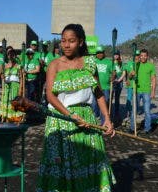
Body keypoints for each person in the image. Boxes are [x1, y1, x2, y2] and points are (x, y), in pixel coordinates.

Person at [36, 24, 115, 192]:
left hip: (87, 118)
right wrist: (70, 115)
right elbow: (50, 95)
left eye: (71, 41)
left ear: (80, 42)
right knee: (61, 165)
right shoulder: (54, 65)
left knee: (90, 160)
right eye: (63, 41)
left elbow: (99, 93)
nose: (66, 45)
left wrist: (107, 119)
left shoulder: (90, 63)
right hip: (60, 119)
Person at [0, 47, 24, 122]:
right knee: (7, 102)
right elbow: (0, 76)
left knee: (14, 102)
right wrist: (2, 76)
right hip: (7, 87)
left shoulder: (18, 66)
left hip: (15, 86)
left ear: (14, 55)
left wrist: (20, 89)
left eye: (12, 54)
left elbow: (21, 79)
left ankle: (15, 118)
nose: (11, 56)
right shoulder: (4, 66)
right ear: (7, 56)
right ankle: (7, 117)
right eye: (9, 54)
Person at [136, 49, 156, 134]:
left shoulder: (151, 66)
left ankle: (147, 128)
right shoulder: (136, 65)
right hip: (136, 91)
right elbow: (130, 76)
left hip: (146, 91)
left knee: (147, 111)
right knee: (134, 110)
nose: (143, 57)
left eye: (145, 55)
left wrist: (153, 91)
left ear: (147, 56)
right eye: (141, 55)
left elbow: (154, 79)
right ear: (139, 56)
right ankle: (133, 128)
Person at [93, 46, 115, 123]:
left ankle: (104, 123)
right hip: (95, 88)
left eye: (101, 53)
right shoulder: (93, 61)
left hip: (106, 88)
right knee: (94, 105)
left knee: (104, 105)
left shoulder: (109, 62)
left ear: (104, 53)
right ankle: (95, 121)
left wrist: (113, 76)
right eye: (98, 53)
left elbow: (114, 72)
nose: (99, 54)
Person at [124, 49, 140, 133]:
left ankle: (134, 115)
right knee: (129, 100)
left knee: (135, 102)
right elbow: (126, 72)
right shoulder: (130, 63)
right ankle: (128, 115)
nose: (137, 57)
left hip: (137, 86)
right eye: (135, 56)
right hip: (130, 85)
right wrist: (126, 79)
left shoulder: (140, 64)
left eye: (138, 55)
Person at [112, 50, 125, 120]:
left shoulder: (121, 63)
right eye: (115, 54)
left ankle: (116, 113)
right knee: (110, 98)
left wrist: (119, 80)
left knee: (117, 98)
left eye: (117, 55)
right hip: (112, 82)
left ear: (119, 55)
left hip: (119, 82)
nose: (116, 56)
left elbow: (123, 73)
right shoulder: (111, 62)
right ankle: (109, 111)